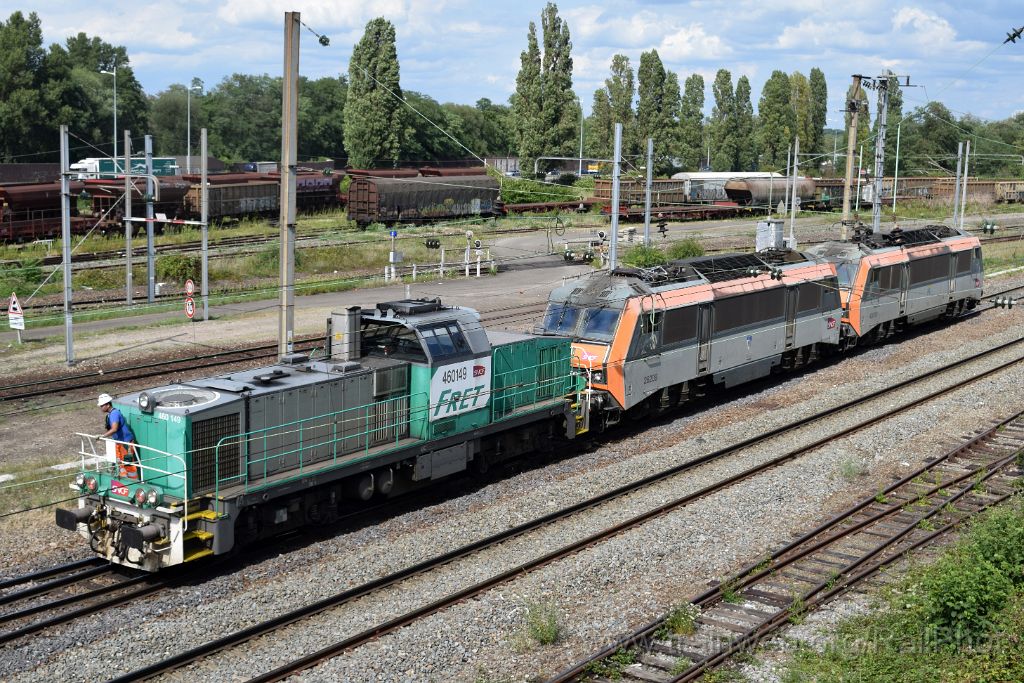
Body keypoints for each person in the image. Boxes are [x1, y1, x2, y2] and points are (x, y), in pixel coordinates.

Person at [96, 393, 139, 479]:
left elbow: (114, 429)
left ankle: (133, 482)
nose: (101, 407)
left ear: (108, 405)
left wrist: (102, 436)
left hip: (126, 443)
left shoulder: (114, 414)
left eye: (102, 405)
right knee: (121, 464)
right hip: (120, 442)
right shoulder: (110, 415)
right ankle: (123, 481)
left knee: (128, 465)